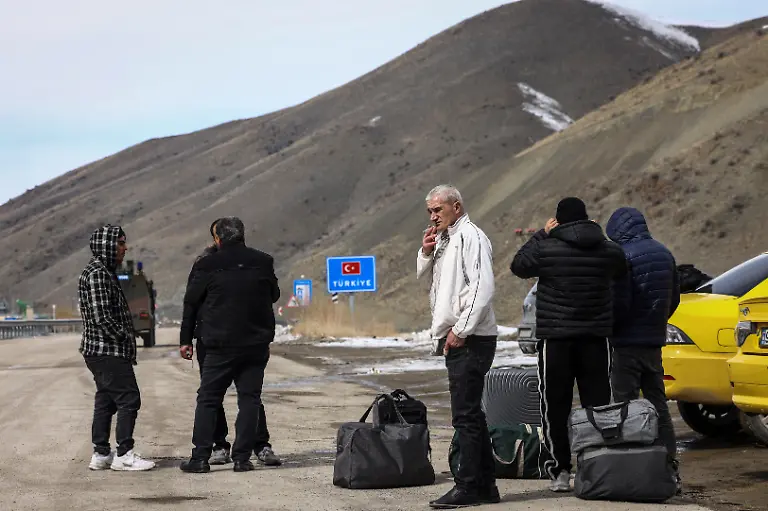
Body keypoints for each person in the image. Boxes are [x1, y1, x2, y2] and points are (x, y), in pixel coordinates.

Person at [510, 197, 627, 492]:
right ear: (587, 219)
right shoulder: (608, 250)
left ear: (558, 221)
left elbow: (519, 265)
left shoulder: (547, 249)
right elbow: (621, 267)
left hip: (557, 341)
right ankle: (596, 466)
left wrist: (541, 234)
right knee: (599, 405)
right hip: (596, 341)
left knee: (554, 406)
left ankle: (559, 470)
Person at [416, 185, 500, 509]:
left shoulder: (471, 237)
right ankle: (485, 485)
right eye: (430, 212)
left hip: (472, 338)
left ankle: (466, 486)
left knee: (464, 416)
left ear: (457, 206)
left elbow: (482, 287)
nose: (434, 216)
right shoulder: (446, 240)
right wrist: (426, 251)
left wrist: (462, 329)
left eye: (438, 209)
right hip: (459, 335)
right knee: (472, 415)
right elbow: (432, 280)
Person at [179, 216, 281, 473]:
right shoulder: (263, 261)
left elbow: (191, 302)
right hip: (255, 344)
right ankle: (242, 459)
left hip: (218, 344)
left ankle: (201, 458)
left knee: (209, 399)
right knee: (249, 399)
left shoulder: (207, 264)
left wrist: (185, 339)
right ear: (242, 235)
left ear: (217, 239)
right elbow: (274, 295)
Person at [605, 207, 681, 491]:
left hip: (625, 344)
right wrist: (657, 322)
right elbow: (674, 298)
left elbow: (620, 303)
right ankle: (669, 467)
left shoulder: (623, 257)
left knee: (624, 407)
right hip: (653, 342)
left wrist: (611, 328)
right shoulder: (664, 253)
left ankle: (629, 472)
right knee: (658, 405)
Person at [78, 224, 155, 471]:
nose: (125, 247)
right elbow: (102, 317)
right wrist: (123, 336)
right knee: (129, 398)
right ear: (108, 245)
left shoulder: (103, 270)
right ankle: (124, 454)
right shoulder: (98, 273)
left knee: (106, 400)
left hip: (101, 350)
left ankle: (101, 453)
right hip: (107, 350)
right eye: (120, 243)